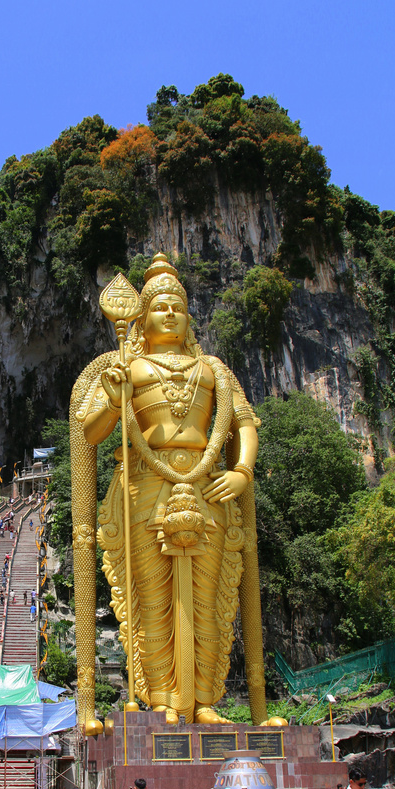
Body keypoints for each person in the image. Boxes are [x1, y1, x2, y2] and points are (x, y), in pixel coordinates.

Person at [73, 252, 265, 725]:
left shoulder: (215, 370)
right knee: (154, 601)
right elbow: (90, 431)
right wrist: (116, 397)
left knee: (205, 598)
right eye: (159, 305)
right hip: (145, 490)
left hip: (207, 491)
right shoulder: (128, 368)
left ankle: (203, 700)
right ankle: (161, 698)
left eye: (177, 306)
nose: (170, 313)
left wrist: (241, 470)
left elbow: (244, 422)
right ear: (142, 318)